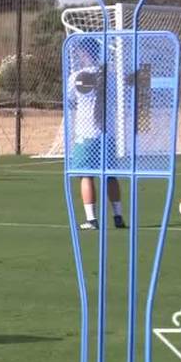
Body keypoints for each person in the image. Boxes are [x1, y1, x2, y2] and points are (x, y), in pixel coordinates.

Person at [68, 37, 126, 230]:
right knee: (110, 175)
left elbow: (70, 101)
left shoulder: (77, 76)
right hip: (107, 134)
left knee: (86, 175)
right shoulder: (110, 76)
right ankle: (118, 215)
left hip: (87, 134)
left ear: (85, 52)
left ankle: (92, 219)